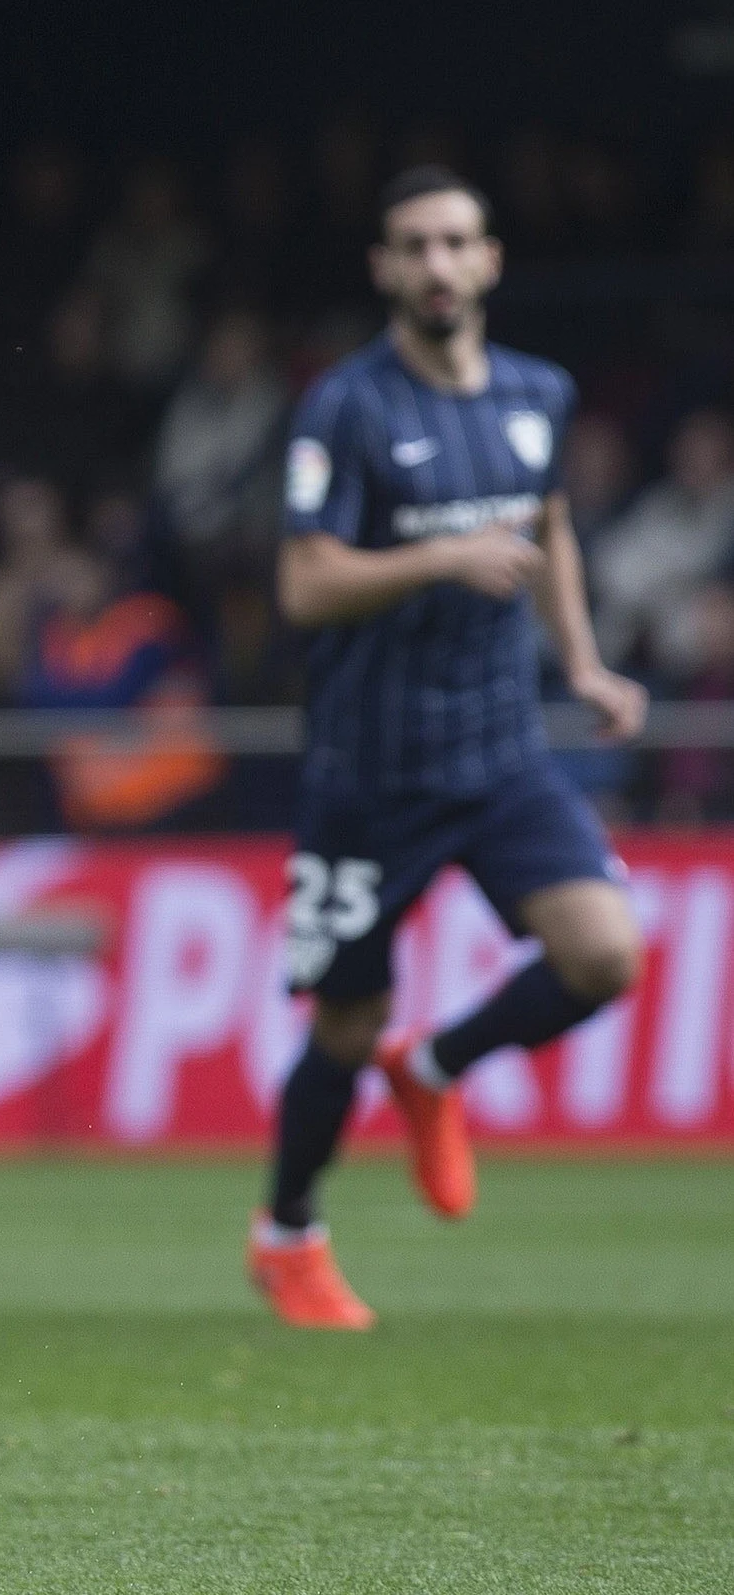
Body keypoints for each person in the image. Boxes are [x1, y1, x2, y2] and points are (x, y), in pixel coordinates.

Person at [255, 166, 647, 1330]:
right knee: (342, 1027)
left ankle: (438, 1067)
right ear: (384, 266)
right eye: (414, 245)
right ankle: (288, 1236)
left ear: (490, 262)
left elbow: (552, 528)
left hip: (502, 752)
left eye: (457, 242)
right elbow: (305, 583)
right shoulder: (345, 406)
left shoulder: (540, 394)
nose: (437, 264)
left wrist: (580, 663)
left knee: (606, 955)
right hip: (368, 774)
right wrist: (441, 556)